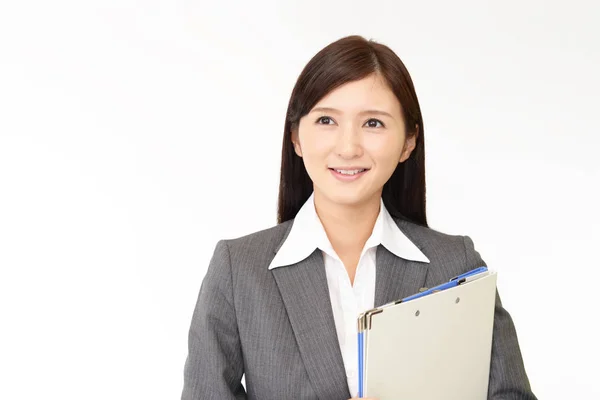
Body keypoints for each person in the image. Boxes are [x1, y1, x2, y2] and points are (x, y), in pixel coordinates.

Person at [181, 35, 537, 400]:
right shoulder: (239, 271)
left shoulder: (455, 264)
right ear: (296, 138)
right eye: (325, 120)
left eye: (373, 124)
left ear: (409, 142)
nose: (348, 147)